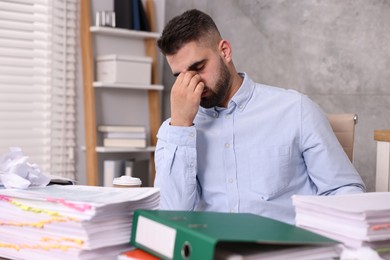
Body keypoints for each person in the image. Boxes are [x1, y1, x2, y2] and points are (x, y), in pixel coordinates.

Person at [154, 9, 365, 224]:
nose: (191, 83)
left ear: (225, 52)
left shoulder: (295, 110)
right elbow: (171, 216)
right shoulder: (175, 131)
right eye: (180, 77)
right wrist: (181, 126)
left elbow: (344, 191)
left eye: (198, 68)